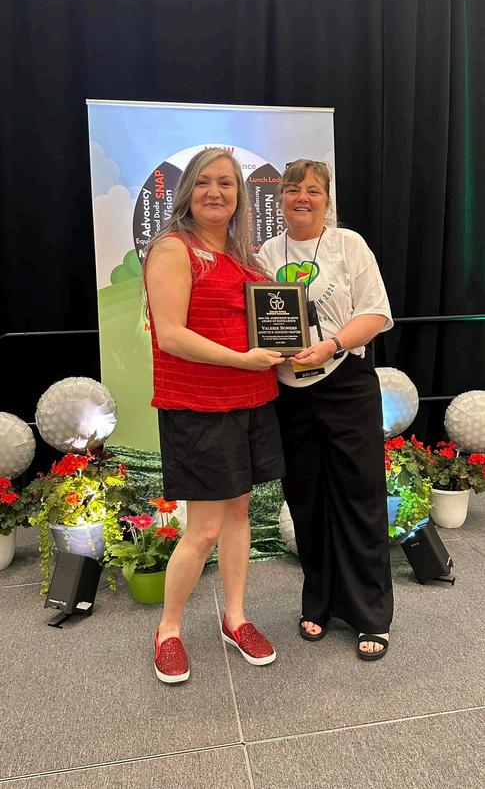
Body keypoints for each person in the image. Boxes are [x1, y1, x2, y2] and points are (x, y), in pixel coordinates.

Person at [145, 148, 285, 684]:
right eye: (204, 182)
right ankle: (169, 629)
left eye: (226, 183)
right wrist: (242, 359)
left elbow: (264, 323)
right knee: (202, 529)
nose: (215, 192)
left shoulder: (245, 256)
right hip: (200, 406)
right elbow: (171, 335)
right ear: (187, 191)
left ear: (239, 195)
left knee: (238, 515)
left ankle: (236, 618)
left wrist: (285, 348)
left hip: (251, 400)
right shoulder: (173, 248)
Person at [257, 159, 393, 660]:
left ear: (326, 199)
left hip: (346, 383)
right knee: (306, 499)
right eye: (293, 189)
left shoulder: (348, 245)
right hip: (289, 393)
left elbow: (376, 313)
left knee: (360, 495)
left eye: (313, 190)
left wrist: (332, 345)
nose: (302, 198)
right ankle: (317, 601)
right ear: (280, 198)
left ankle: (371, 614)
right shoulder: (265, 254)